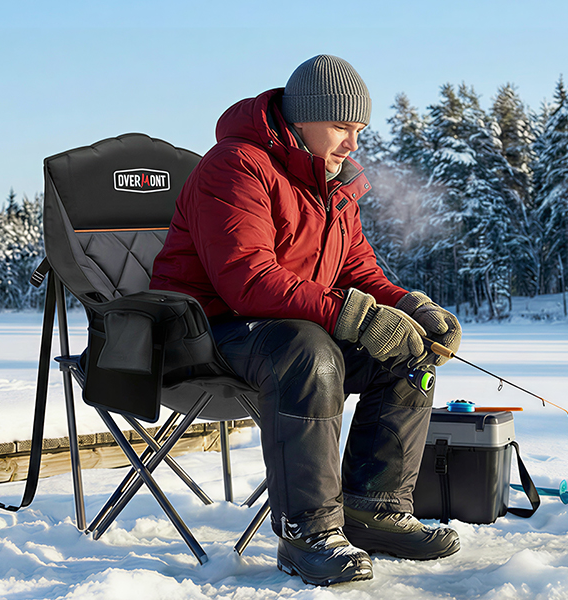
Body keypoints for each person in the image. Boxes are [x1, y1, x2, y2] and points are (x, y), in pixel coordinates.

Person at [149, 54, 463, 586]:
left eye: (359, 129)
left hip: (287, 328)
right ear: (301, 119)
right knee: (308, 351)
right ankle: (307, 533)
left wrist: (410, 307)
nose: (353, 143)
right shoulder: (235, 165)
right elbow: (246, 280)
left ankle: (374, 508)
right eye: (341, 126)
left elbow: (357, 267)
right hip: (204, 331)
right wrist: (351, 315)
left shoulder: (335, 181)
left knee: (409, 352)